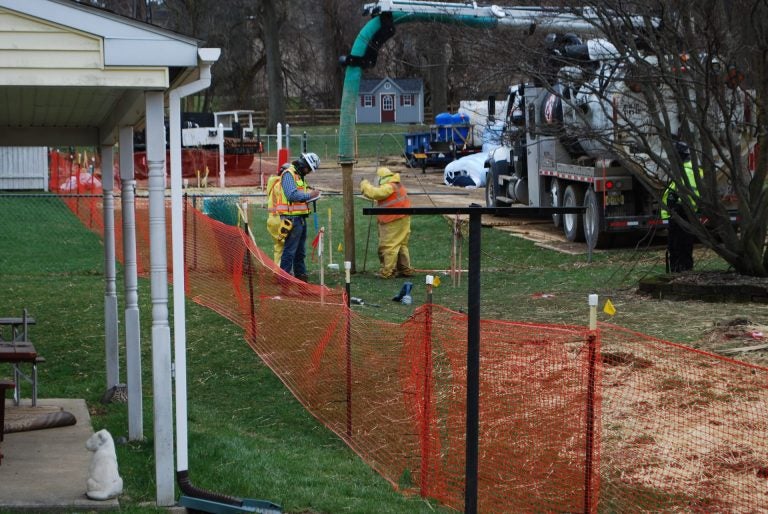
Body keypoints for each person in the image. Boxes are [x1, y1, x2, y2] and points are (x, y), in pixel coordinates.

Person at [272, 152, 320, 281]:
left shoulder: (299, 176)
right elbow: (292, 195)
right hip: (291, 219)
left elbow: (299, 196)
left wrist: (309, 194)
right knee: (290, 251)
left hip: (300, 218)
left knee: (300, 252)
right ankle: (284, 280)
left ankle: (301, 278)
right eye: (308, 169)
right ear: (304, 164)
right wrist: (310, 195)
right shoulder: (289, 174)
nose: (308, 172)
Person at [360, 166, 415, 279]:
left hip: (393, 220)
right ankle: (405, 269)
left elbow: (374, 193)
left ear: (381, 178)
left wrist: (364, 184)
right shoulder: (395, 184)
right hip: (402, 218)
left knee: (389, 246)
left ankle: (388, 272)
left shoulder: (389, 187)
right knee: (401, 245)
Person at [661, 141, 701, 273]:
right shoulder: (692, 168)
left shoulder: (685, 170)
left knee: (678, 246)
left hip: (681, 213)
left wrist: (674, 202)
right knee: (684, 246)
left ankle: (679, 271)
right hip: (687, 213)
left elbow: (682, 192)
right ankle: (683, 270)